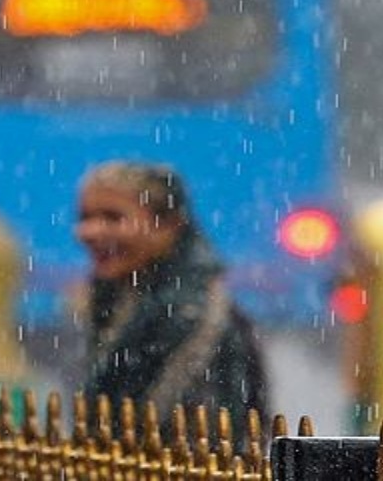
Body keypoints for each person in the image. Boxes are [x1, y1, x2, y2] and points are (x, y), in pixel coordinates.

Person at [74, 161, 269, 449]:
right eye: (85, 217)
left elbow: (213, 440)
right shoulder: (121, 299)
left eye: (112, 218)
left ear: (167, 225)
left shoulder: (190, 314)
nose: (89, 232)